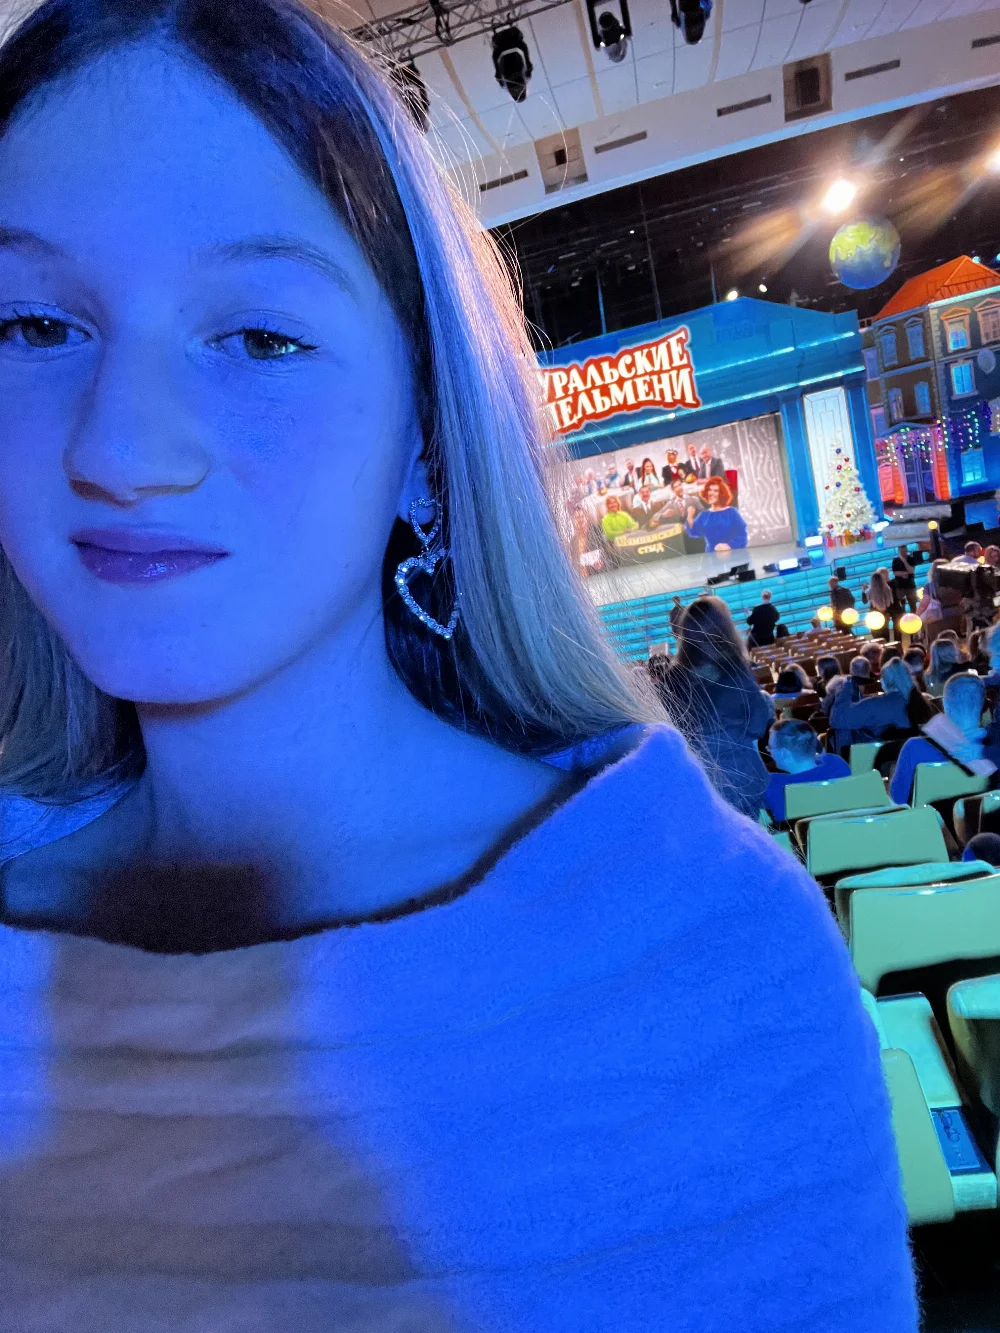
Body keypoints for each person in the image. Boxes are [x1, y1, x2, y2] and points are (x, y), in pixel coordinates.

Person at [0, 3, 917, 1329]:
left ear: (427, 444)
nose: (119, 450)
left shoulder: (700, 957)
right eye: (33, 326)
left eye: (260, 337)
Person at [648, 598, 773, 819]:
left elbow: (667, 732)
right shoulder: (735, 670)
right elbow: (758, 725)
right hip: (742, 775)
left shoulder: (671, 679)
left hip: (698, 780)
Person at [890, 674, 1000, 804]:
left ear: (944, 704)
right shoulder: (994, 748)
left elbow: (899, 799)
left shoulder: (914, 748)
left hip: (929, 817)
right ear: (984, 706)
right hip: (977, 816)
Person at [764, 720, 850, 822]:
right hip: (846, 828)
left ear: (784, 753)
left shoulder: (772, 784)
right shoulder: (836, 764)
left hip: (800, 832)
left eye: (770, 748)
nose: (769, 752)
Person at [828, 659, 911, 751]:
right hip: (912, 753)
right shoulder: (920, 700)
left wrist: (845, 684)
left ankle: (844, 759)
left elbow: (837, 718)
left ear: (885, 681)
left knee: (844, 729)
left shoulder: (879, 704)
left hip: (885, 756)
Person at [685, 477, 748, 553]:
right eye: (709, 490)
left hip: (733, 555)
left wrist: (729, 546)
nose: (711, 493)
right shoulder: (704, 515)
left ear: (722, 494)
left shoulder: (732, 512)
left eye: (715, 491)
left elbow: (742, 536)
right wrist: (690, 517)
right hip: (711, 556)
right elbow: (693, 532)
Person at [861, 568, 893, 641]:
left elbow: (864, 601)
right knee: (885, 631)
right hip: (885, 613)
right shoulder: (887, 589)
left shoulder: (869, 590)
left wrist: (863, 591)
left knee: (876, 634)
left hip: (874, 613)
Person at [891, 546, 917, 614]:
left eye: (904, 551)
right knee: (901, 605)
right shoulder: (895, 560)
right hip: (900, 586)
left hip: (910, 585)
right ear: (899, 551)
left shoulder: (910, 559)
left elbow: (911, 570)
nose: (903, 553)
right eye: (901, 551)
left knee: (913, 604)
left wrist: (904, 561)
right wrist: (904, 573)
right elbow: (895, 572)